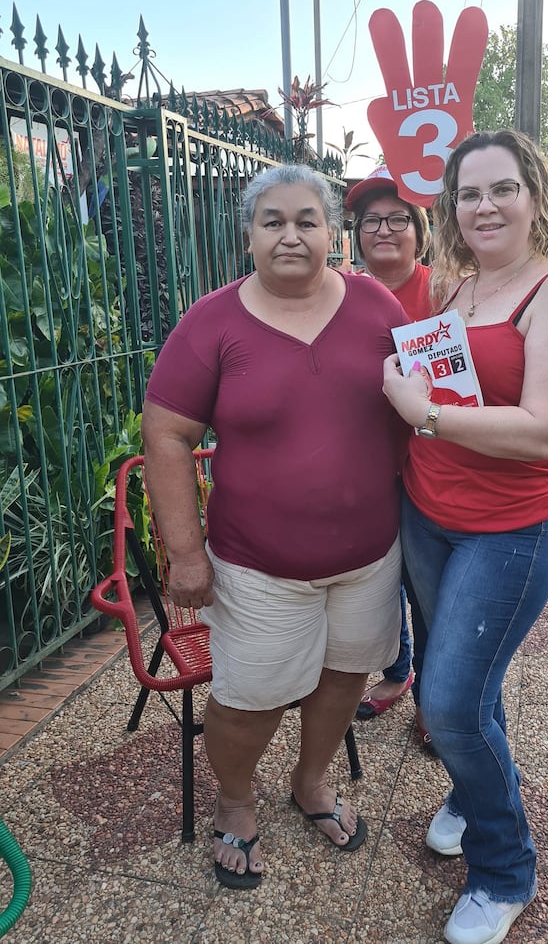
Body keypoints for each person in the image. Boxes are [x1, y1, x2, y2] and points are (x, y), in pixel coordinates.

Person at [141, 164, 410, 890]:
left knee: (344, 677)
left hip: (368, 556)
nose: (290, 235)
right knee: (248, 699)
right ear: (249, 237)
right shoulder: (212, 322)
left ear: (333, 234)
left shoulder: (376, 304)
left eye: (306, 221)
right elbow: (166, 434)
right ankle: (236, 799)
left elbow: (429, 394)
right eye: (273, 222)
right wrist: (185, 551)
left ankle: (311, 780)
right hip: (257, 566)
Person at [382, 130, 548, 944]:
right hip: (427, 514)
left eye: (502, 188)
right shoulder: (456, 287)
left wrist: (425, 414)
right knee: (472, 686)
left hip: (508, 531)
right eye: (469, 193)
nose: (485, 206)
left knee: (446, 702)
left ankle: (505, 868)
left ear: (534, 196)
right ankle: (470, 794)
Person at [345, 165, 435, 754]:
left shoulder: (447, 290)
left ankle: (433, 695)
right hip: (366, 466)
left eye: (397, 218)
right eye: (370, 220)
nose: (383, 230)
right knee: (380, 580)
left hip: (432, 464)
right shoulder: (340, 293)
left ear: (419, 230)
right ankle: (397, 672)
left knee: (427, 587)